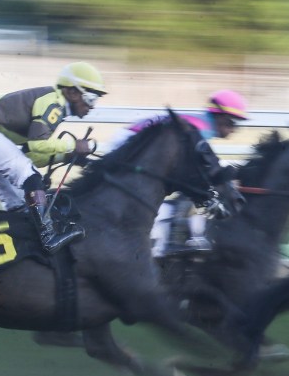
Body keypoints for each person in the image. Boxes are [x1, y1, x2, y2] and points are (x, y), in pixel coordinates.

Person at [0, 61, 106, 253]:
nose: (92, 106)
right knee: (28, 176)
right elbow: (37, 144)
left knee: (14, 197)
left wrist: (66, 156)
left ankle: (21, 240)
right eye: (90, 98)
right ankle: (49, 237)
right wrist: (74, 145)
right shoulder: (54, 102)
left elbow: (33, 156)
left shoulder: (55, 105)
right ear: (72, 92)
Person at [105, 90, 248, 257]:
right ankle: (172, 234)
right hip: (127, 142)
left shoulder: (202, 124)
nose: (233, 130)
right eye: (232, 123)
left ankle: (172, 229)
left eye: (236, 125)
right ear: (220, 117)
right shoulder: (202, 128)